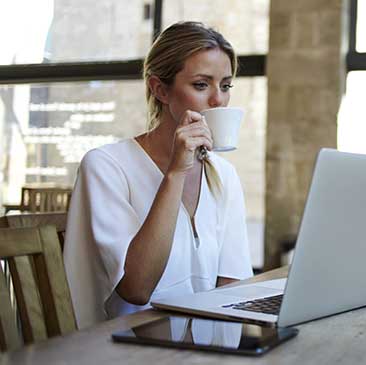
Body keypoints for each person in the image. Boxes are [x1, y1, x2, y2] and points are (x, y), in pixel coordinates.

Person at [64, 21, 253, 329]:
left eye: (226, 85)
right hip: (123, 349)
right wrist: (176, 172)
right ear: (160, 89)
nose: (219, 100)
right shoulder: (105, 166)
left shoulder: (224, 175)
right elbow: (136, 290)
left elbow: (232, 285)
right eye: (202, 85)